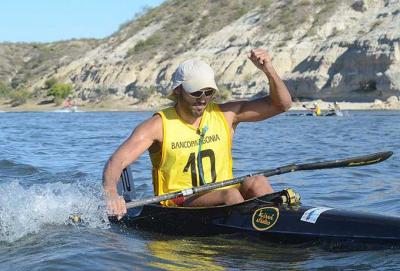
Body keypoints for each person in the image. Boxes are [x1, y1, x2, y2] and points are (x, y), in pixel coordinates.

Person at [103, 48, 292, 219]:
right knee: (231, 195)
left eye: (208, 92)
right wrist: (112, 193)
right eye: (196, 92)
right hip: (180, 202)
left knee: (257, 182)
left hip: (223, 194)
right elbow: (116, 162)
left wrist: (269, 70)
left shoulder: (226, 115)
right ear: (178, 90)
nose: (203, 99)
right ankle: (256, 236)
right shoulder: (157, 126)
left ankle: (283, 221)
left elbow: (282, 105)